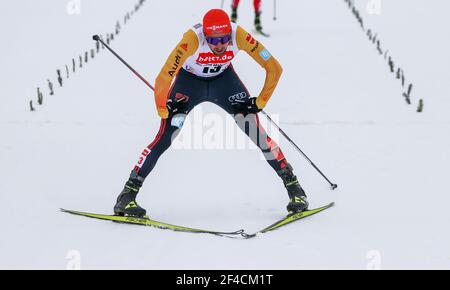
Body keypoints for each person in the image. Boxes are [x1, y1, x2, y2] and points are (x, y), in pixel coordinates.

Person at [113, 9, 308, 217]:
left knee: (256, 132)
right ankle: (127, 196)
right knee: (167, 135)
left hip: (224, 83)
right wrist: (164, 109)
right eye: (213, 41)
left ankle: (295, 190)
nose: (220, 45)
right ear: (205, 35)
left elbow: (274, 67)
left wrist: (259, 102)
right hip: (189, 84)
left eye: (224, 39)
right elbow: (163, 77)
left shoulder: (239, 35)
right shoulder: (191, 39)